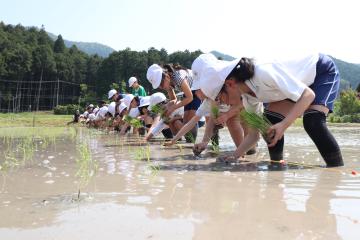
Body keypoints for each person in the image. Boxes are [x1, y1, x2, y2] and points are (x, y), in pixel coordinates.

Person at [216, 53, 343, 167]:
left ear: (230, 84)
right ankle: (276, 166)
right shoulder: (248, 99)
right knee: (269, 125)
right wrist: (235, 155)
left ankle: (336, 169)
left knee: (313, 121)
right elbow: (253, 135)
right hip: (294, 86)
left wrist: (283, 125)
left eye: (220, 98)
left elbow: (308, 95)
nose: (223, 103)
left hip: (319, 71)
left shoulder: (263, 73)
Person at [146, 62, 201, 142]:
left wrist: (172, 108)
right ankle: (190, 144)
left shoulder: (178, 77)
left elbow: (190, 97)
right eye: (159, 86)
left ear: (166, 76)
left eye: (161, 84)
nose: (161, 87)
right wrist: (168, 106)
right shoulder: (169, 84)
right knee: (185, 125)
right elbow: (174, 100)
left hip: (197, 89)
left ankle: (193, 144)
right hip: (188, 94)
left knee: (189, 121)